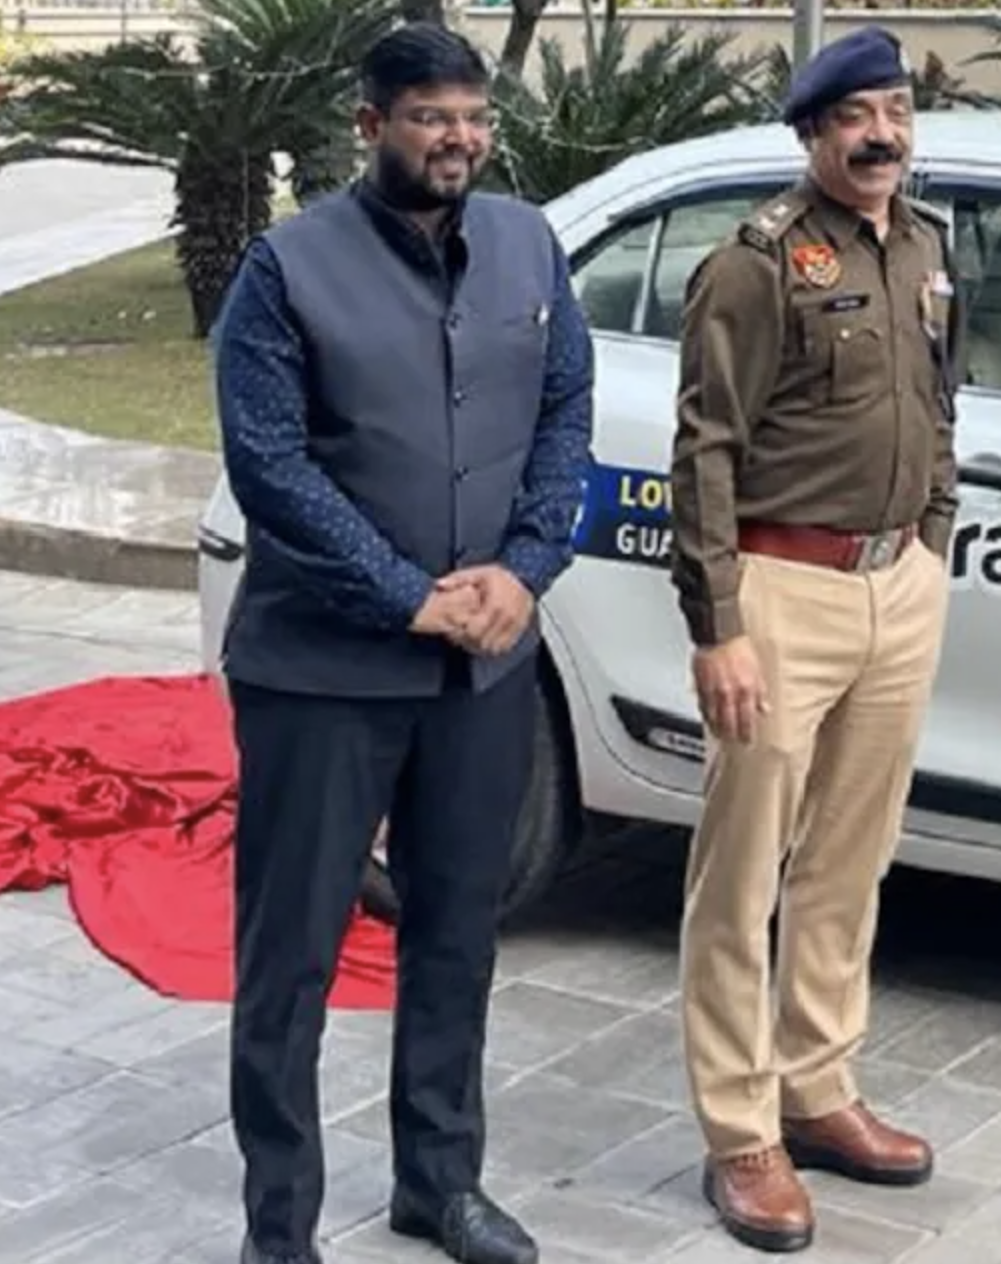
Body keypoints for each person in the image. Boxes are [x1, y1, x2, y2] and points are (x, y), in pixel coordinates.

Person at [210, 22, 593, 1264]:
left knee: (456, 932)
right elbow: (269, 466)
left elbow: (565, 412)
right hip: (322, 672)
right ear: (371, 125)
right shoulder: (286, 269)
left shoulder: (530, 246)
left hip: (481, 671)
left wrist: (525, 569)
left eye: (474, 117)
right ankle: (280, 1227)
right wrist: (404, 595)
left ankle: (440, 1180)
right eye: (430, 117)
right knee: (293, 955)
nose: (458, 139)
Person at [666, 24, 960, 1255]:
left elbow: (940, 404)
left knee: (851, 856)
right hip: (782, 591)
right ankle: (742, 1130)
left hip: (898, 586)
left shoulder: (929, 245)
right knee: (743, 874)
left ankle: (818, 1085)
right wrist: (719, 625)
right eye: (855, 118)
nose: (881, 135)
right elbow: (704, 449)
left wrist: (934, 537)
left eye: (894, 112)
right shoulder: (756, 263)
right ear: (813, 134)